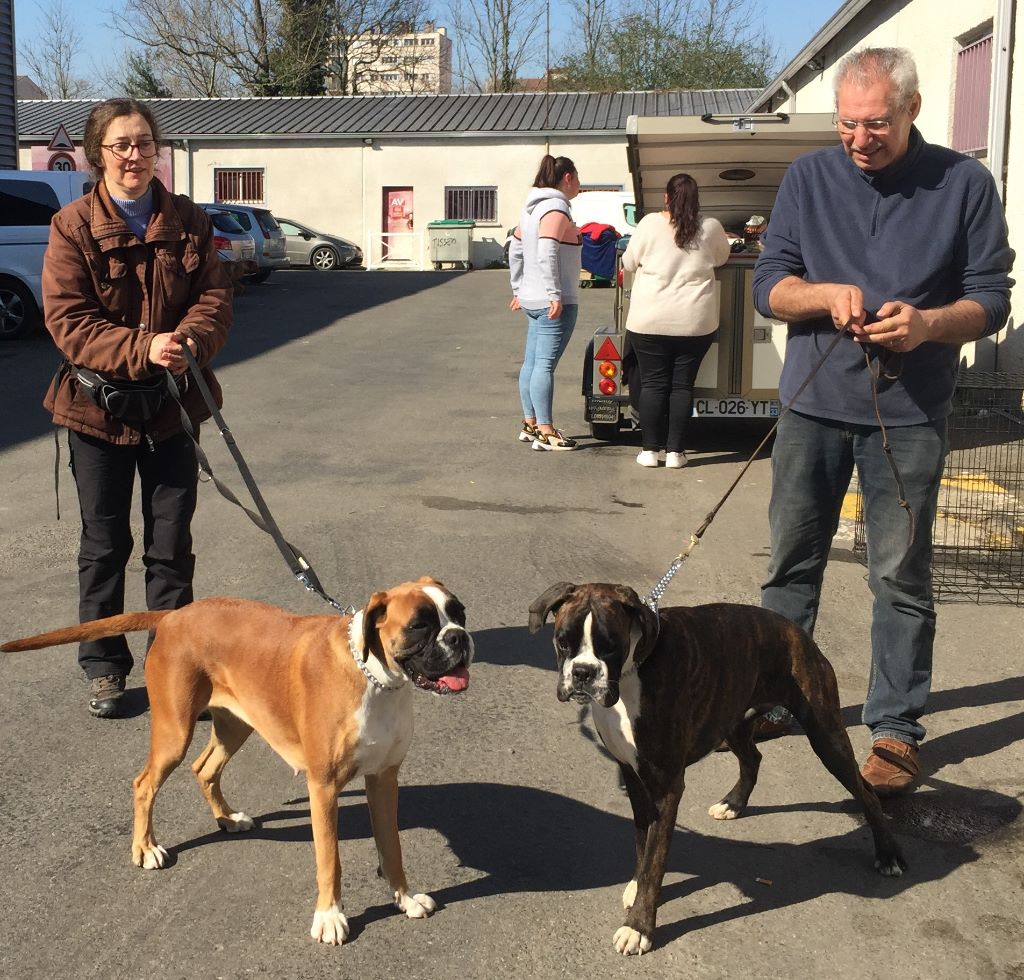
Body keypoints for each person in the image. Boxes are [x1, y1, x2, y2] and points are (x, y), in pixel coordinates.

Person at [751, 48, 1013, 793]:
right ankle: (776, 695)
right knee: (790, 567)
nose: (859, 139)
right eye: (846, 124)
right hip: (809, 406)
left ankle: (895, 728)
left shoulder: (964, 184)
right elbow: (770, 286)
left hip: (910, 413)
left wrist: (929, 324)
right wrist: (824, 295)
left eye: (876, 125)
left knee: (899, 576)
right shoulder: (808, 177)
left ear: (913, 110)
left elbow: (992, 298)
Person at [42, 98, 232, 718]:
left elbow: (214, 299)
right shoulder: (72, 225)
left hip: (173, 410)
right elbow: (69, 321)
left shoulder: (190, 221)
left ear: (158, 151)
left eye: (145, 143)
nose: (134, 155)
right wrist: (143, 347)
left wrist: (192, 344)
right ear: (98, 154)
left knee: (170, 545)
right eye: (121, 144)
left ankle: (174, 665)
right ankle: (104, 665)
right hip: (96, 413)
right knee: (104, 544)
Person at [621, 173, 730, 468]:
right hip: (694, 322)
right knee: (683, 386)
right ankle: (675, 453)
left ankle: (649, 451)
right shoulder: (711, 227)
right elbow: (722, 258)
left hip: (649, 320)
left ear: (666, 197)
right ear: (697, 200)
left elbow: (628, 262)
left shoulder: (648, 224)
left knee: (654, 384)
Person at [508, 154, 583, 451]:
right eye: (577, 178)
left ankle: (530, 423)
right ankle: (546, 430)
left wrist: (518, 287)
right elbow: (547, 251)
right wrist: (554, 294)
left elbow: (515, 248)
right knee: (544, 366)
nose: (579, 184)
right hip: (554, 300)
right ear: (567, 178)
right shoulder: (556, 208)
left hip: (532, 297)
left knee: (532, 363)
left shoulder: (531, 209)